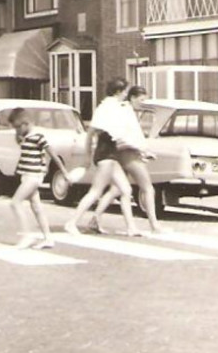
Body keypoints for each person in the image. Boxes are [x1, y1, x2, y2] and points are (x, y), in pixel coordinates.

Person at [66, 79, 138, 236]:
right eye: (125, 91)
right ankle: (71, 223)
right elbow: (90, 133)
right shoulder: (106, 108)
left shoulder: (115, 108)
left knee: (125, 189)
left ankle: (131, 228)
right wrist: (87, 157)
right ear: (118, 91)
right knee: (96, 191)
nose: (127, 94)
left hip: (111, 155)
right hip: (105, 154)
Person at [113, 85, 165, 234]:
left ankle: (95, 219)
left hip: (126, 152)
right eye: (141, 100)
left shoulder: (127, 111)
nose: (142, 103)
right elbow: (126, 137)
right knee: (148, 188)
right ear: (132, 98)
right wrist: (142, 150)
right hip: (130, 153)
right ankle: (154, 224)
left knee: (118, 189)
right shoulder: (127, 113)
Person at [7, 108, 58, 250]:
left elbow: (51, 153)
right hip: (28, 176)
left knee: (15, 203)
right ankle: (48, 238)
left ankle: (27, 236)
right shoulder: (26, 136)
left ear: (26, 123)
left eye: (18, 127)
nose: (16, 130)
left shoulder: (37, 136)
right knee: (36, 207)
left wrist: (64, 172)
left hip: (33, 176)